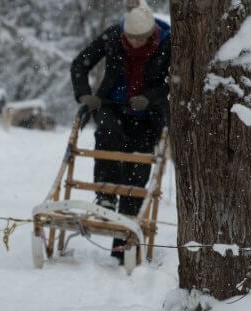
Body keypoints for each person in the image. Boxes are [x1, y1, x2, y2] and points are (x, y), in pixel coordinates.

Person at [70, 0, 171, 262]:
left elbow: (177, 80)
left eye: (140, 39)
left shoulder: (168, 42)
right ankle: (105, 196)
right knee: (107, 134)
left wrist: (150, 97)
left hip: (148, 114)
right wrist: (84, 95)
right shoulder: (114, 35)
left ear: (151, 34)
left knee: (137, 171)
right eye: (130, 38)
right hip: (112, 106)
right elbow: (80, 63)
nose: (134, 43)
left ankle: (123, 237)